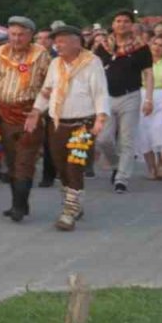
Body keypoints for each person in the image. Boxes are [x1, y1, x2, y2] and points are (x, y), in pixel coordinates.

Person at [28, 26, 109, 231]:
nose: (58, 45)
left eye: (62, 41)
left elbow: (100, 92)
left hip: (83, 124)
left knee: (74, 166)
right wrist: (36, 111)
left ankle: (69, 212)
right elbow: (46, 91)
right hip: (57, 123)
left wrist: (100, 118)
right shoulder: (56, 63)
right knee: (60, 167)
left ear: (77, 42)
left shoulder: (92, 62)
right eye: (56, 41)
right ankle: (73, 203)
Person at [0, 16, 51, 220]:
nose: (16, 38)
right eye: (12, 34)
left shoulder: (41, 55)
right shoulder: (0, 53)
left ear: (30, 36)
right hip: (5, 113)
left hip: (30, 114)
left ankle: (19, 207)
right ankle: (18, 203)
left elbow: (48, 86)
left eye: (21, 34)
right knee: (11, 161)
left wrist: (40, 110)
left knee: (25, 160)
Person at [93, 10, 154, 193]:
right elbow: (93, 71)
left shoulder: (141, 47)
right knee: (103, 139)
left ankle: (122, 179)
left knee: (127, 140)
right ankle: (116, 164)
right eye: (118, 21)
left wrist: (148, 98)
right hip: (106, 97)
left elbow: (149, 73)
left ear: (132, 25)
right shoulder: (103, 47)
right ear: (113, 24)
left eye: (126, 21)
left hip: (130, 96)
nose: (122, 24)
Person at [139, 32, 162, 180]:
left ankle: (161, 161)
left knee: (160, 131)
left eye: (161, 46)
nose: (157, 48)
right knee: (144, 133)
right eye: (155, 44)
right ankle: (150, 167)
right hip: (142, 96)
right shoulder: (142, 61)